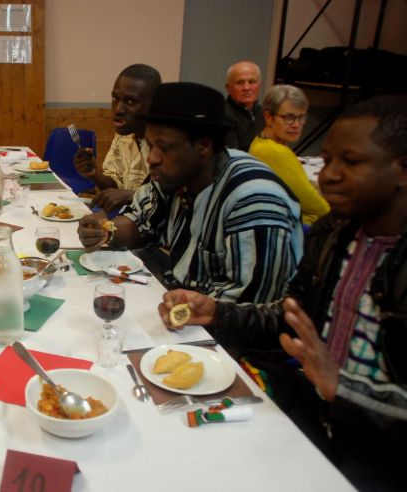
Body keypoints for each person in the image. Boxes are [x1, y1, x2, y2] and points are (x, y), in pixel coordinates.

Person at [159, 95, 407, 491]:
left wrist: (344, 387)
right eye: (327, 161)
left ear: (402, 170)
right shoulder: (333, 234)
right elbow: (289, 315)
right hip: (317, 412)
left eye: (351, 162)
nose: (328, 176)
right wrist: (217, 311)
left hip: (383, 458)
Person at [78, 82, 303, 303]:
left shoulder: (253, 202)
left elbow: (248, 308)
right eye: (150, 145)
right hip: (182, 297)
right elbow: (140, 222)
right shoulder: (175, 174)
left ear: (203, 146)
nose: (152, 158)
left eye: (164, 148)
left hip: (224, 320)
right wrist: (105, 230)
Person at [73, 64, 161, 213]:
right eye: (115, 98)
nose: (118, 109)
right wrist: (95, 175)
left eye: (131, 102)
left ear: (153, 105)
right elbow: (114, 187)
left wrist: (130, 196)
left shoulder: (165, 145)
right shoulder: (124, 135)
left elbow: (168, 200)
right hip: (129, 218)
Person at [249, 85, 329, 226]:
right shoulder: (277, 152)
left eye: (301, 117)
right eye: (289, 118)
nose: (296, 125)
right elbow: (312, 203)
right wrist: (336, 215)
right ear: (268, 117)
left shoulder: (259, 141)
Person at [223, 61, 265, 151]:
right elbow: (233, 155)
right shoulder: (223, 114)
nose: (246, 88)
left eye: (252, 82)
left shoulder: (264, 112)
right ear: (228, 88)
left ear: (259, 85)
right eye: (240, 82)